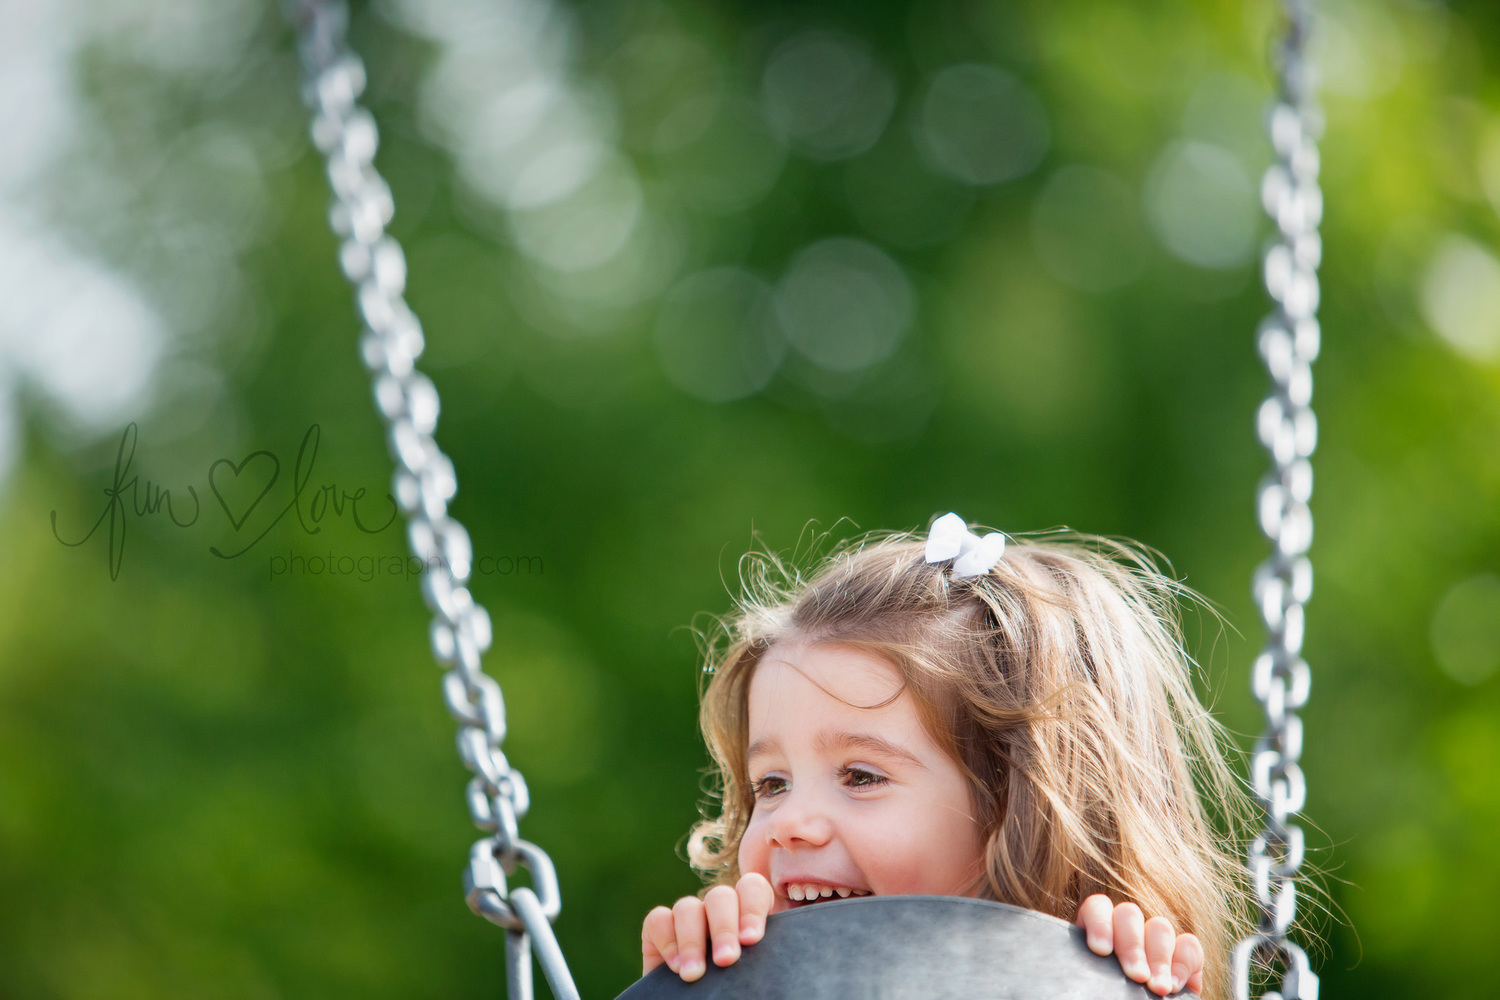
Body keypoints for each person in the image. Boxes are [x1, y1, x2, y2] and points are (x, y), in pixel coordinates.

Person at [639, 514, 1257, 998]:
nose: (789, 826)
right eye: (771, 784)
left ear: (1021, 805)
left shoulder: (1110, 980)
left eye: (859, 776)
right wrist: (690, 991)